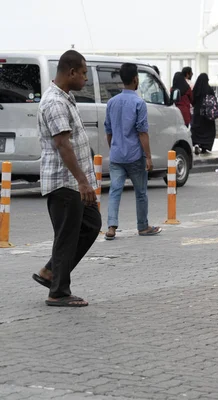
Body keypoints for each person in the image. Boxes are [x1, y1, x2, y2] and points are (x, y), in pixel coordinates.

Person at [33, 50, 101, 307]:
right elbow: (63, 144)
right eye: (83, 73)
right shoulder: (55, 103)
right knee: (66, 236)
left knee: (91, 224)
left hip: (73, 182)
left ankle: (51, 271)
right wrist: (83, 181)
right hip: (64, 182)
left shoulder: (66, 97)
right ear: (71, 72)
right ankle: (58, 292)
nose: (86, 78)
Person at [103, 63, 162, 240]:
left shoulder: (112, 102)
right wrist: (149, 157)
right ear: (136, 79)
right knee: (141, 192)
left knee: (115, 190)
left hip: (117, 155)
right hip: (135, 156)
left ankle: (111, 228)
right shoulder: (139, 103)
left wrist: (113, 147)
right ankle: (143, 226)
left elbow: (108, 131)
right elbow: (142, 132)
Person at [191, 73, 217, 154]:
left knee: (196, 129)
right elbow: (213, 101)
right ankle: (205, 147)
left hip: (198, 113)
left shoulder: (195, 89)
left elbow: (192, 101)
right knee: (208, 131)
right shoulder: (209, 89)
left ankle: (196, 143)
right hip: (207, 115)